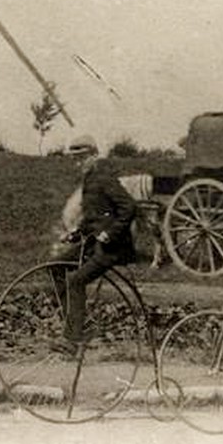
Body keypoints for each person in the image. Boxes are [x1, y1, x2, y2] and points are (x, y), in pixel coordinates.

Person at [50, 135, 137, 357]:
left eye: (81, 158)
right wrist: (75, 235)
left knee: (75, 280)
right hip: (93, 242)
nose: (77, 164)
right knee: (55, 265)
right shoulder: (90, 180)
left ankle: (72, 338)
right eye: (75, 160)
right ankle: (82, 323)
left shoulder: (104, 177)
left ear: (93, 156)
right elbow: (92, 219)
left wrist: (110, 233)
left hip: (112, 247)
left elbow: (129, 207)